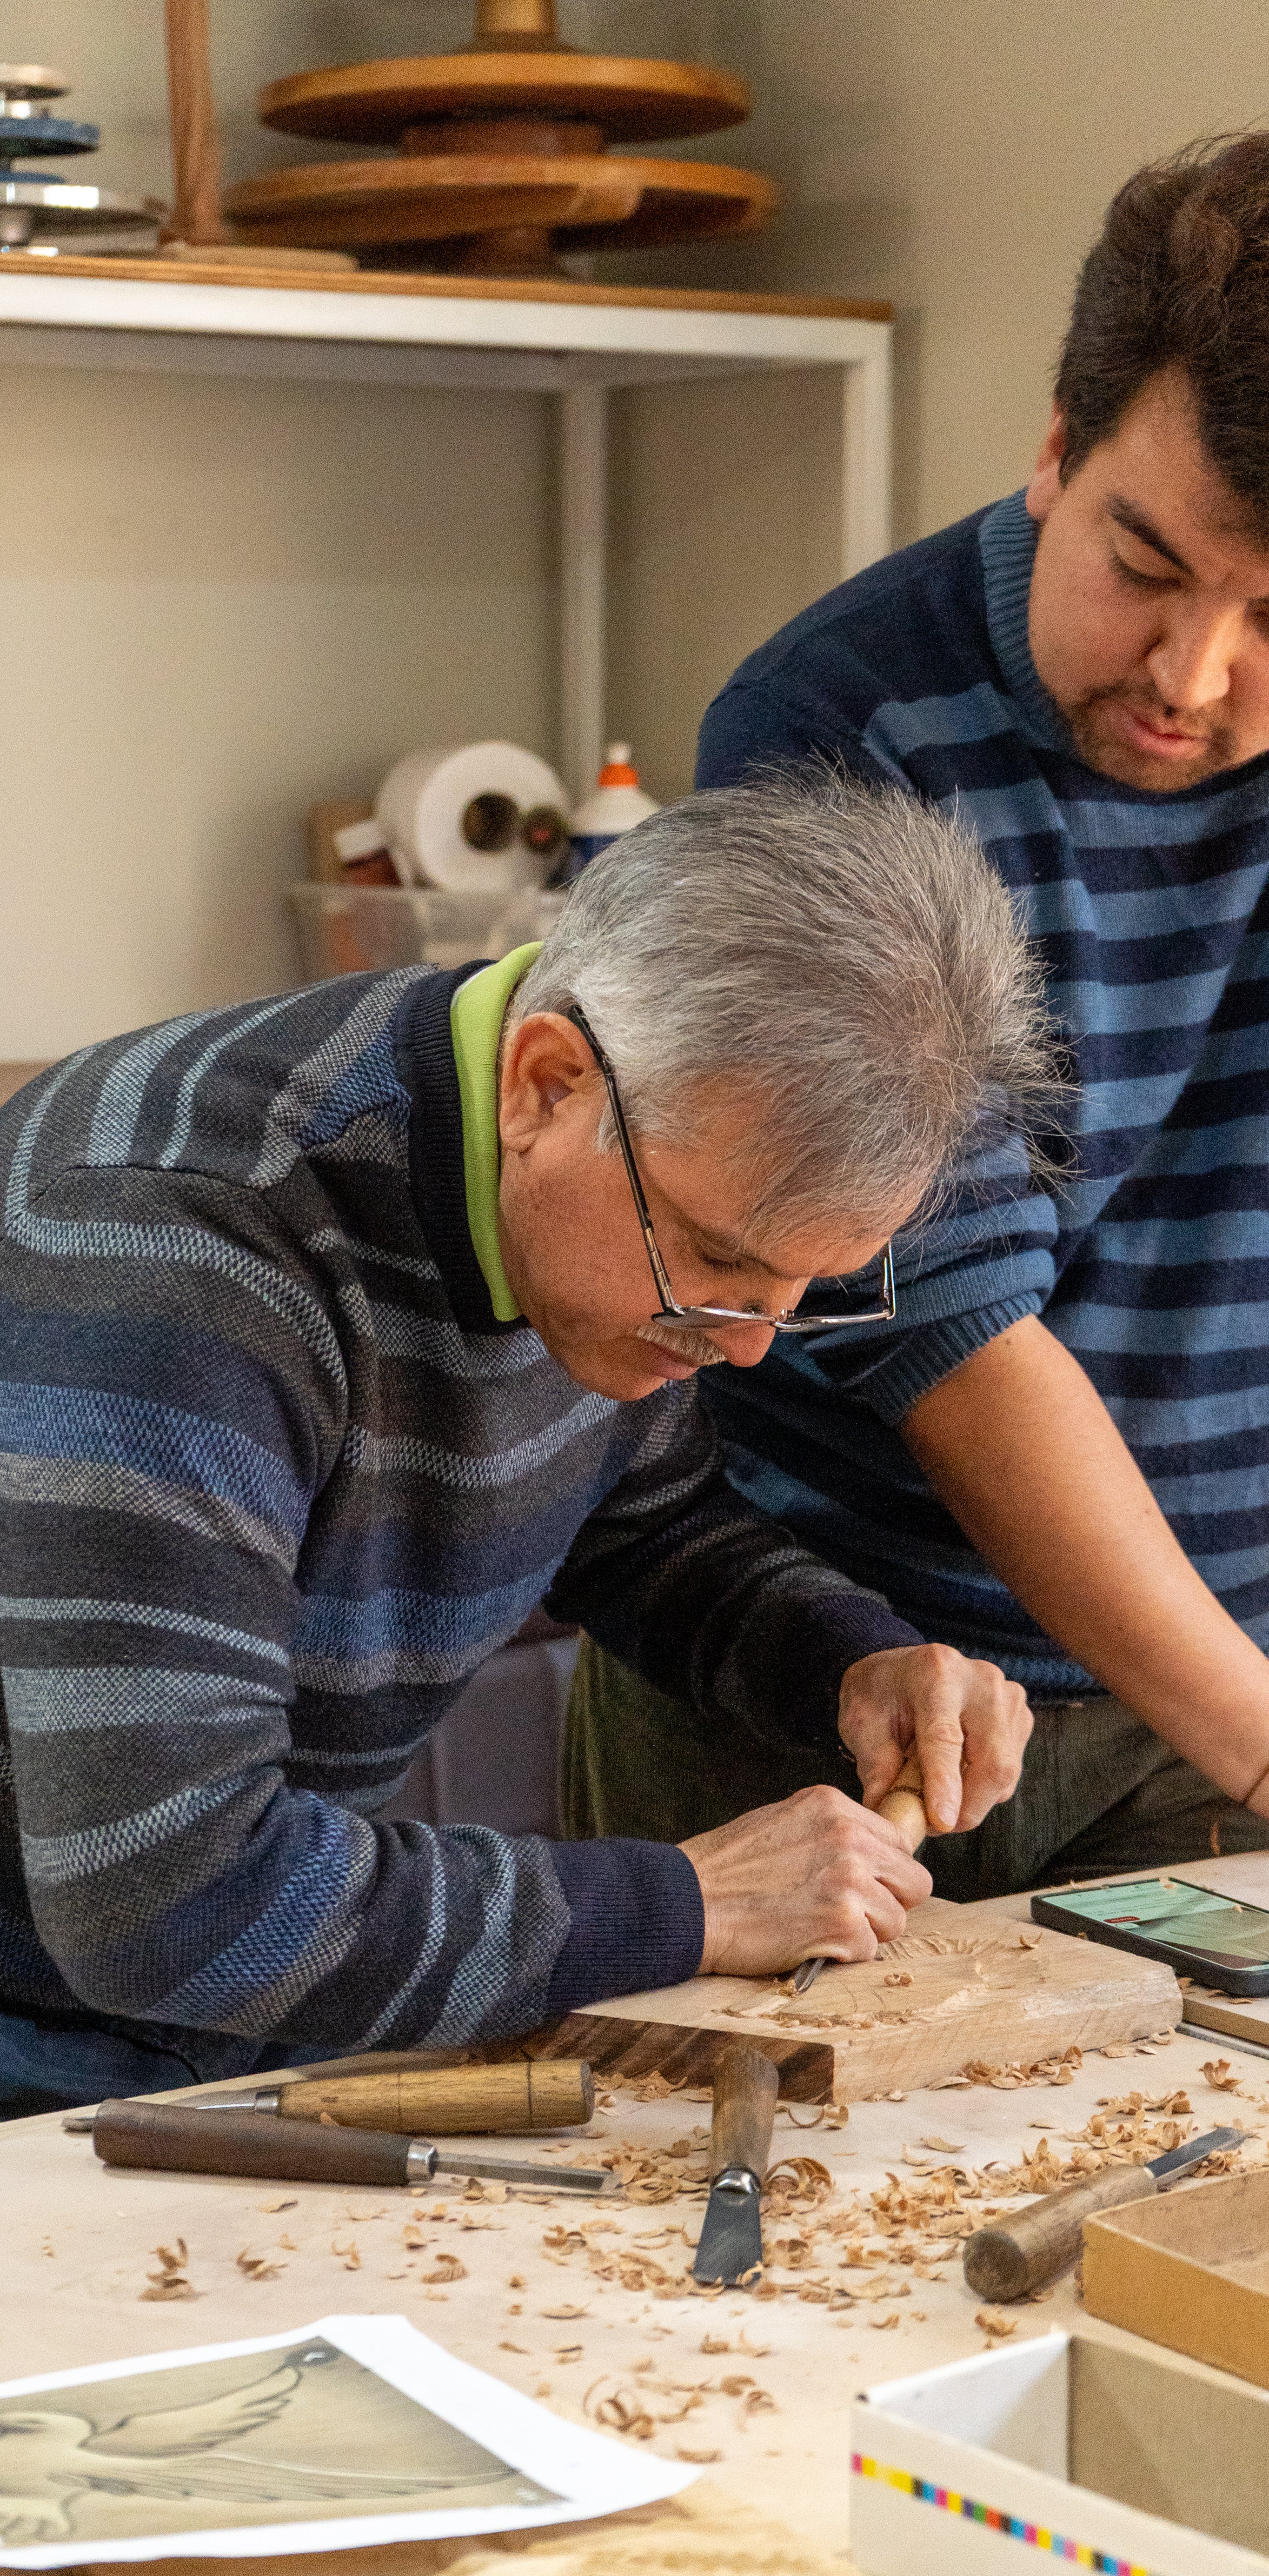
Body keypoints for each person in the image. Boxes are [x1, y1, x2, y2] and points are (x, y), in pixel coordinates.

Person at [0, 774, 1045, 2175]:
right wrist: (689, 1901)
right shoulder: (182, 1240)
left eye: (807, 1288)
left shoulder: (609, 1217)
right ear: (545, 1085)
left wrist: (850, 1665)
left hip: (169, 1992)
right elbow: (173, 1899)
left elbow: (644, 1529)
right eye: (714, 1263)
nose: (751, 1345)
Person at [564, 133, 1269, 1895]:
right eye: (1145, 562)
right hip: (829, 1678)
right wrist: (1258, 1736)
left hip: (1218, 1689)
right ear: (1054, 446)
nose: (1193, 679)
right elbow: (945, 1330)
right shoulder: (838, 728)